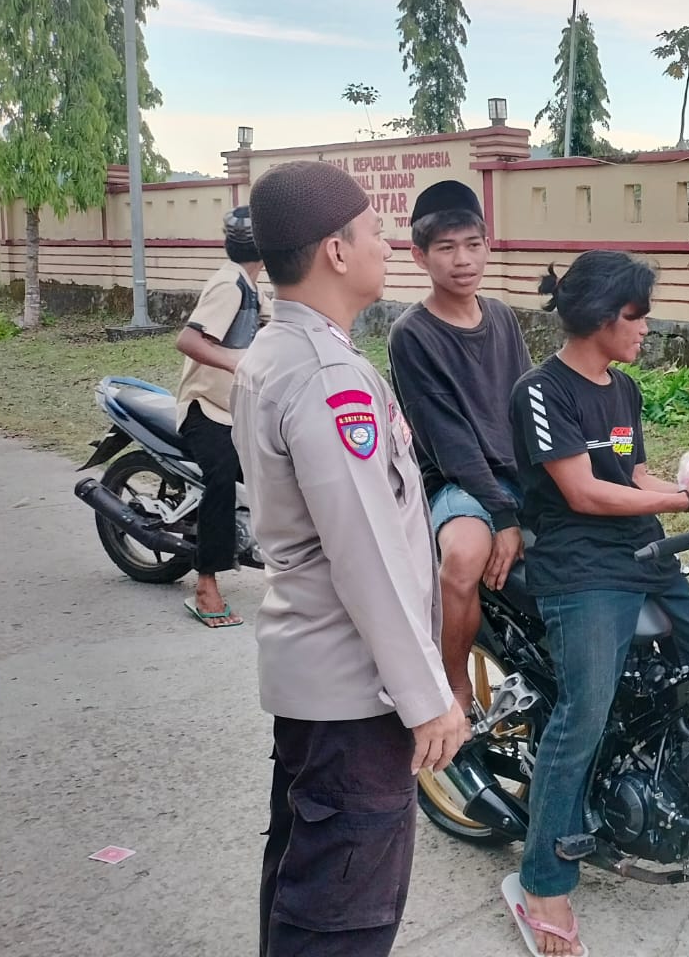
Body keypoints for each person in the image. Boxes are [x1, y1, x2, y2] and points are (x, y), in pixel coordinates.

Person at [233, 160, 469, 957]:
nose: (383, 247)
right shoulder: (330, 376)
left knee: (304, 884)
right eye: (373, 232)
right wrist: (426, 696)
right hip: (353, 696)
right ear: (335, 250)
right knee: (343, 915)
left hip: (312, 681)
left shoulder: (278, 351)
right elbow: (366, 552)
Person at [502, 250, 689, 957]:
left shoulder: (624, 387)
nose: (646, 327)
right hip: (580, 564)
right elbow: (582, 491)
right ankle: (543, 879)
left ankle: (669, 795)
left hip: (644, 552)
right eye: (637, 315)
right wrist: (686, 499)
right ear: (604, 316)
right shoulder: (541, 391)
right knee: (584, 711)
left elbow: (629, 470)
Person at [389, 180, 532, 708]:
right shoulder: (413, 333)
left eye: (472, 245)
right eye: (446, 248)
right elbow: (450, 442)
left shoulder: (501, 317)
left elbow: (527, 405)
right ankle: (451, 686)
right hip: (457, 482)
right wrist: (503, 515)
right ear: (420, 256)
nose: (463, 260)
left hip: (518, 473)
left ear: (487, 247)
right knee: (466, 557)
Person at [173, 205, 269, 627]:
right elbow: (188, 339)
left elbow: (276, 325)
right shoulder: (229, 285)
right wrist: (234, 360)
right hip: (205, 408)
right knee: (223, 474)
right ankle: (206, 584)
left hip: (238, 409)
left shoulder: (251, 286)